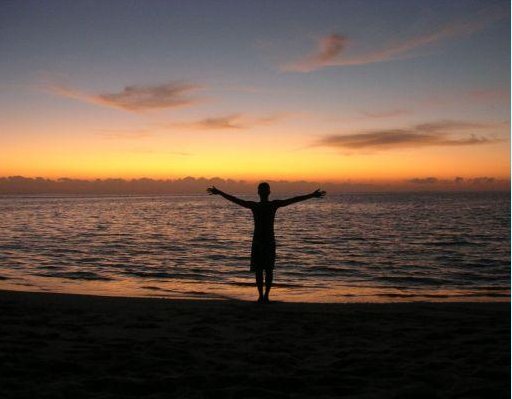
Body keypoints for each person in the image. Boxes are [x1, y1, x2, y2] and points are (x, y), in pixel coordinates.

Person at [207, 182, 326, 303]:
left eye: (263, 190)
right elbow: (293, 200)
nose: (263, 192)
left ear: (259, 192)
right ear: (268, 192)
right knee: (267, 270)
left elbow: (236, 200)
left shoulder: (257, 206)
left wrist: (220, 192)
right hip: (266, 241)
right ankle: (265, 296)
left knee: (261, 270)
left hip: (260, 241)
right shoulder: (271, 205)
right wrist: (312, 195)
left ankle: (262, 296)